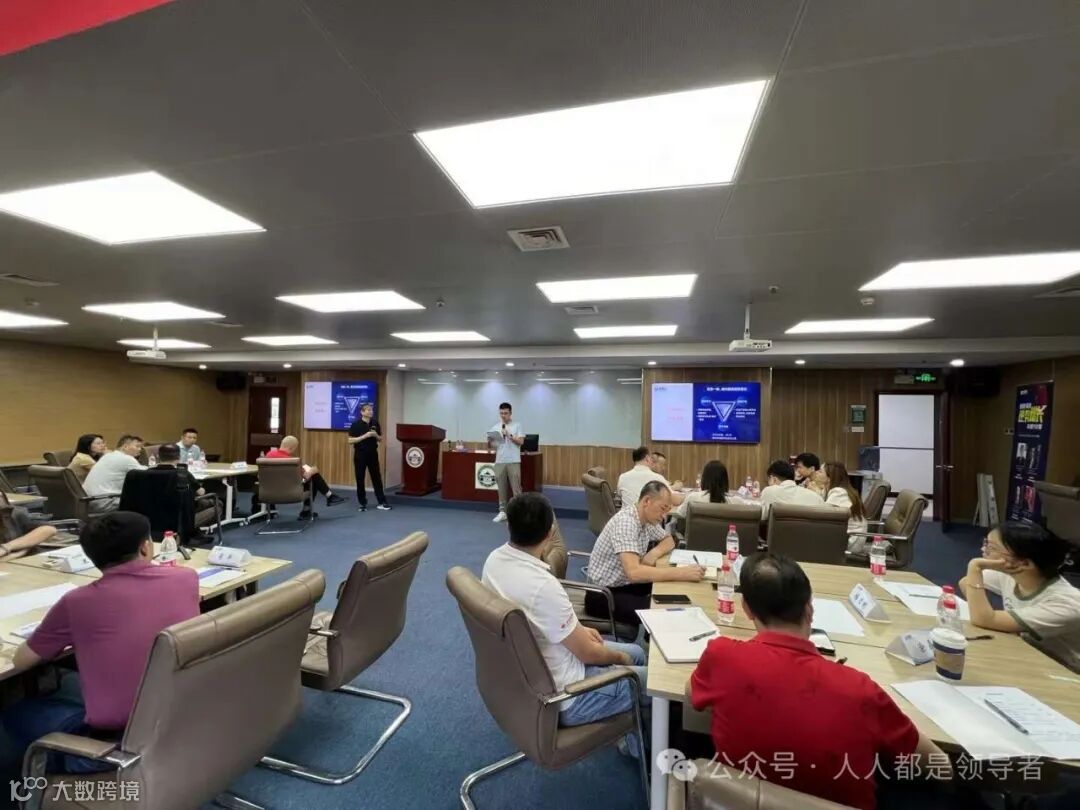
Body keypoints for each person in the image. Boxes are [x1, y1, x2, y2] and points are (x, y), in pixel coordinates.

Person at [691, 553, 951, 809]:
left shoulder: (721, 656)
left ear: (747, 609)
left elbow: (692, 695)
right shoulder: (859, 691)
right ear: (809, 609)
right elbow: (940, 765)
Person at [3, 512, 199, 772]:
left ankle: (51, 766)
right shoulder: (186, 578)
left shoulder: (77, 602)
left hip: (116, 747)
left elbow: (22, 660)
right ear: (145, 547)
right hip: (186, 718)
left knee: (16, 711)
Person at [482, 493, 649, 756]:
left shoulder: (493, 561)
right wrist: (620, 659)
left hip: (526, 676)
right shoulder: (543, 586)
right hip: (568, 697)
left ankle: (631, 734)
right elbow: (589, 654)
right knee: (656, 683)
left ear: (509, 526)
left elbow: (546, 621)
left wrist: (579, 631)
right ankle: (641, 754)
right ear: (550, 533)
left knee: (638, 652)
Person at [960, 522, 1080, 673]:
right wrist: (998, 619)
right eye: (985, 543)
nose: (983, 550)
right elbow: (966, 583)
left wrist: (975, 566)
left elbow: (982, 619)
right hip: (1029, 654)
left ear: (1024, 563)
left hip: (1065, 670)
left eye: (991, 547)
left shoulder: (1067, 603)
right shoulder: (1013, 575)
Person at [586, 481, 704, 628]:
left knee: (671, 592)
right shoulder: (626, 522)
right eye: (663, 509)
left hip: (624, 584)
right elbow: (634, 573)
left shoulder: (645, 519)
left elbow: (669, 540)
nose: (664, 516)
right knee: (664, 610)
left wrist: (653, 553)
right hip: (603, 595)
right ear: (647, 501)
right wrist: (682, 573)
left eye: (667, 510)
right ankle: (653, 641)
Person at [263, 436, 345, 517]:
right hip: (291, 493)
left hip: (270, 492)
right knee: (313, 476)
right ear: (292, 448)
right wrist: (313, 470)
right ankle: (315, 505)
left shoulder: (269, 455)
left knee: (312, 475)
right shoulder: (292, 462)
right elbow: (306, 476)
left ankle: (329, 497)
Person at [83, 434, 146, 510]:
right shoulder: (126, 458)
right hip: (105, 502)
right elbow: (147, 474)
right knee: (148, 499)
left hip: (88, 501)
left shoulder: (108, 456)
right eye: (137, 446)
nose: (140, 449)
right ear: (125, 446)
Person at [348, 402, 390, 512]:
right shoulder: (356, 424)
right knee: (360, 478)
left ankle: (381, 502)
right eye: (368, 410)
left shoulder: (375, 423)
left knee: (377, 478)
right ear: (362, 412)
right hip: (360, 454)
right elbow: (350, 440)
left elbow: (380, 439)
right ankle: (362, 503)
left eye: (371, 410)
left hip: (372, 454)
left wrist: (376, 435)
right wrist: (365, 436)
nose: (371, 411)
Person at [489, 402, 524, 523]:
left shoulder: (517, 425)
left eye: (506, 413)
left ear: (510, 413)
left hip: (513, 461)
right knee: (501, 488)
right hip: (500, 461)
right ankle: (502, 512)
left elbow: (521, 442)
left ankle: (519, 513)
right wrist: (490, 440)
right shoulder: (495, 427)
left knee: (516, 488)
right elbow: (492, 446)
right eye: (501, 413)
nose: (503, 415)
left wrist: (509, 435)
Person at [616, 446, 684, 509]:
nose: (652, 461)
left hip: (626, 517)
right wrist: (684, 497)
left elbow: (620, 496)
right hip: (647, 517)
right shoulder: (657, 478)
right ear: (647, 458)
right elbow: (675, 500)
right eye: (651, 458)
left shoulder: (622, 477)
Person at [758, 459, 824, 518]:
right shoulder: (816, 497)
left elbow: (763, 518)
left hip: (779, 528)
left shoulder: (769, 491)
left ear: (773, 479)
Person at [818, 461, 869, 538]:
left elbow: (823, 515)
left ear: (829, 477)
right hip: (846, 534)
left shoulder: (839, 492)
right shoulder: (837, 489)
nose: (816, 473)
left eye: (820, 471)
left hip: (851, 537)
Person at [0, 494, 58, 560]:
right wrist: (19, 553)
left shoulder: (12, 513)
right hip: (14, 560)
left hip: (27, 557)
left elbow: (49, 529)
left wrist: (7, 547)